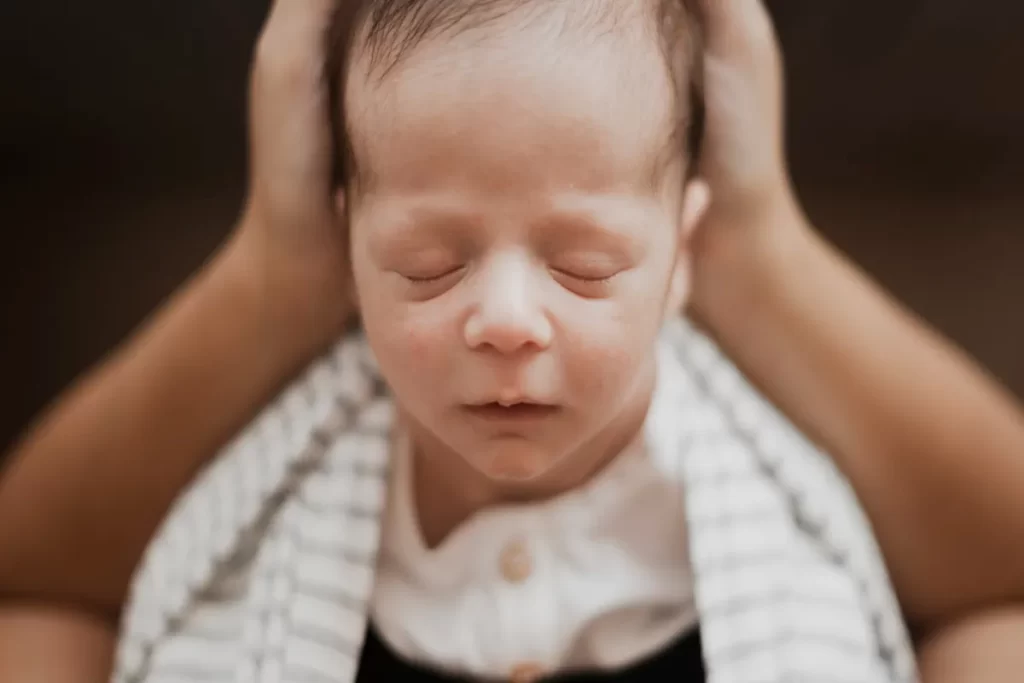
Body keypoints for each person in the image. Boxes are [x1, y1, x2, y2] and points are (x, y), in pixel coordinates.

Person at [1, 0, 1022, 681]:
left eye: (583, 265)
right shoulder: (270, 497)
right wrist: (277, 259)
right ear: (345, 243)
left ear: (682, 256)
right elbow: (33, 579)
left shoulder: (772, 508)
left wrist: (763, 243)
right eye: (427, 264)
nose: (503, 320)